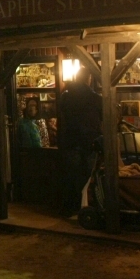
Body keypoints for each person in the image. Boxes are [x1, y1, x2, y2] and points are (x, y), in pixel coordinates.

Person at [58, 68, 102, 216]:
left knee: (71, 176)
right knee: (89, 177)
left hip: (70, 141)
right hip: (90, 142)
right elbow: (103, 117)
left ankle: (71, 207)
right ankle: (87, 207)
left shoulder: (66, 96)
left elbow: (62, 118)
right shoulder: (95, 98)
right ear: (89, 79)